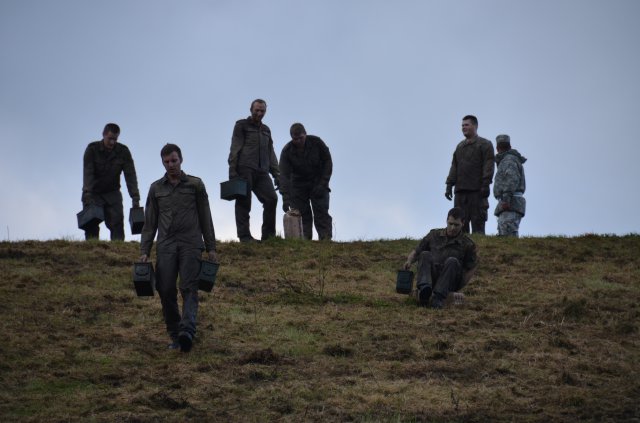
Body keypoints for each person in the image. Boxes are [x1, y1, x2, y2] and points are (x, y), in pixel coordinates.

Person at [139, 144, 218, 352]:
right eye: (166, 161)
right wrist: (144, 251)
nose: (171, 165)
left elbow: (205, 217)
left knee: (189, 287)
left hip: (191, 244)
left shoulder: (195, 185)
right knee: (164, 289)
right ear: (162, 162)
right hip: (165, 245)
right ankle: (175, 334)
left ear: (181, 159)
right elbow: (149, 223)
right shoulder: (156, 188)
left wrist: (211, 247)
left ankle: (187, 332)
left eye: (174, 160)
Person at [403, 207, 477, 309]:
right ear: (446, 220)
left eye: (456, 225)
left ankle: (438, 298)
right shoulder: (434, 235)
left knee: (452, 261)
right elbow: (417, 251)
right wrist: (409, 261)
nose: (452, 228)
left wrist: (460, 286)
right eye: (450, 224)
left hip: (450, 279)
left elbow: (471, 268)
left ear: (463, 223)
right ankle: (424, 290)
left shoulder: (468, 244)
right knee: (425, 254)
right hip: (431, 276)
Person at [227, 99, 280, 242]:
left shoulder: (266, 130)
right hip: (244, 168)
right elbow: (235, 147)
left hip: (262, 171)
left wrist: (277, 174)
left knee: (271, 199)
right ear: (251, 109)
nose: (259, 113)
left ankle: (269, 237)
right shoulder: (241, 125)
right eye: (257, 110)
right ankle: (245, 237)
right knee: (244, 202)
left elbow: (271, 153)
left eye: (262, 110)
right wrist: (232, 170)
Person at [81, 123, 140, 240]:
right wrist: (87, 194)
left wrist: (135, 197)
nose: (112, 142)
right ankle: (92, 253)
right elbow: (88, 173)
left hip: (113, 194)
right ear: (103, 135)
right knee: (91, 225)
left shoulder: (123, 152)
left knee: (117, 225)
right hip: (93, 193)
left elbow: (130, 176)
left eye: (115, 139)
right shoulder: (92, 150)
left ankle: (118, 252)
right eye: (110, 138)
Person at [279, 123, 333, 240]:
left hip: (318, 183)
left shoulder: (317, 143)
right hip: (298, 186)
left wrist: (323, 183)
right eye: (295, 139)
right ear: (291, 137)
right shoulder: (287, 152)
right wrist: (286, 198)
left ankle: (326, 241)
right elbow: (284, 175)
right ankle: (304, 243)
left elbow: (327, 162)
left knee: (321, 213)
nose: (298, 141)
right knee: (302, 216)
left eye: (301, 138)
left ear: (305, 134)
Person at [445, 115, 495, 234]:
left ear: (475, 126)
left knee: (478, 222)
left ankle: (479, 248)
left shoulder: (485, 144)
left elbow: (488, 165)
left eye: (466, 125)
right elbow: (454, 166)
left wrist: (485, 184)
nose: (463, 127)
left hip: (477, 190)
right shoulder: (460, 146)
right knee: (460, 225)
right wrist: (449, 185)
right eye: (462, 125)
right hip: (460, 191)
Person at [493, 134, 527, 237]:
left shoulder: (508, 160)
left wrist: (506, 199)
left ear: (497, 148)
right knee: (507, 233)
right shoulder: (510, 159)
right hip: (510, 202)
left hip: (510, 202)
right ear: (510, 146)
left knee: (507, 234)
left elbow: (511, 180)